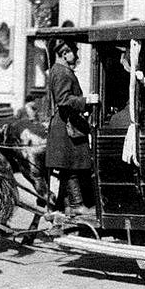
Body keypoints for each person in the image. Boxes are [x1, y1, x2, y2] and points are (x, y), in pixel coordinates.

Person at [46, 39, 97, 216]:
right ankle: (76, 205)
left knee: (71, 167)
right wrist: (86, 101)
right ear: (65, 53)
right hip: (66, 127)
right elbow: (63, 99)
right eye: (74, 52)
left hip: (66, 125)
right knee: (71, 167)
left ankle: (68, 206)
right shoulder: (62, 72)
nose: (75, 55)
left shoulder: (60, 70)